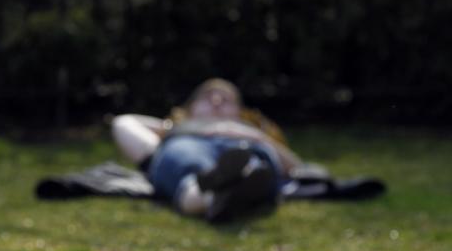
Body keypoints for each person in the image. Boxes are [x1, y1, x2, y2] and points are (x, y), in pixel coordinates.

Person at [111, 79, 311, 223]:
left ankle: (224, 192)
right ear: (191, 108)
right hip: (189, 143)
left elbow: (297, 168)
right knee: (191, 171)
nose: (216, 101)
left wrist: (254, 135)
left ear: (239, 111)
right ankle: (225, 192)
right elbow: (124, 122)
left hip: (244, 147)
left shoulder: (253, 133)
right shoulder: (179, 130)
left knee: (255, 163)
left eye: (226, 100)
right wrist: (176, 128)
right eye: (208, 98)